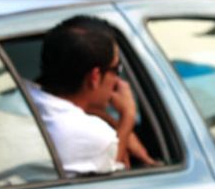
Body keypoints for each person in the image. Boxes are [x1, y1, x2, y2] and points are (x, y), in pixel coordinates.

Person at [26, 15, 156, 176]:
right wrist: (127, 117)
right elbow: (116, 165)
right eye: (117, 69)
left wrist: (110, 119)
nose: (119, 80)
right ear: (95, 77)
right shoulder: (92, 135)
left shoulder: (22, 94)